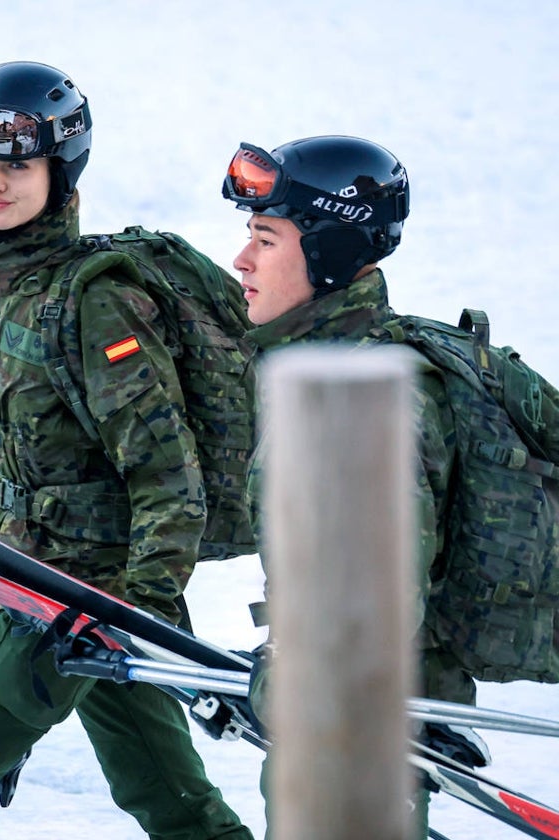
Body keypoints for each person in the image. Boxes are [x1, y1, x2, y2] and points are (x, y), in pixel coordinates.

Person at [0, 60, 254, 840]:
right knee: (172, 803)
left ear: (61, 168)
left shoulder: (94, 297)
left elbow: (166, 470)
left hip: (71, 602)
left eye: (17, 164)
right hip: (68, 590)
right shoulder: (12, 281)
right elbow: (24, 417)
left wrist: (139, 619)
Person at [222, 135, 487, 837]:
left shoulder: (366, 392)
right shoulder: (315, 365)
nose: (242, 261)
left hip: (367, 722)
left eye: (266, 240)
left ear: (331, 254)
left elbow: (380, 589)